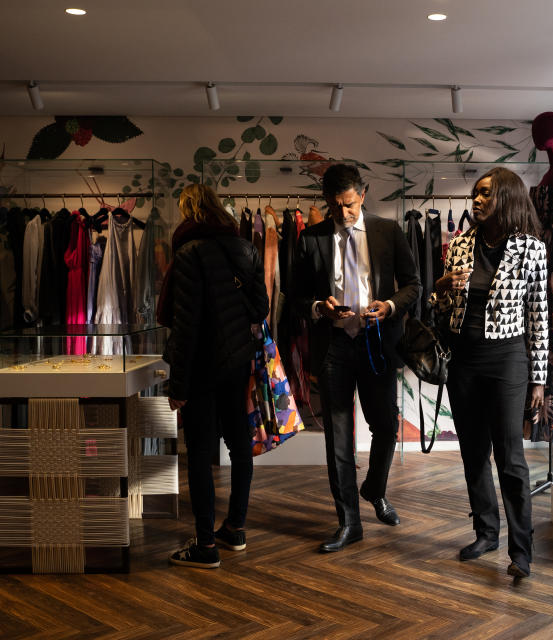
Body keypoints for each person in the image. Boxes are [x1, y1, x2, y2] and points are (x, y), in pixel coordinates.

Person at [292, 164, 420, 553]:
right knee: (338, 437)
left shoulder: (387, 231)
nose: (343, 214)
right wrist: (319, 307)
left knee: (385, 426)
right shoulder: (310, 238)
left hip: (377, 342)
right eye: (334, 207)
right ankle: (349, 522)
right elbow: (295, 296)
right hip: (334, 347)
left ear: (363, 194)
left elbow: (414, 285)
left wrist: (390, 306)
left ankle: (375, 489)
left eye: (348, 205)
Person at [430, 167, 548, 579]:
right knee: (473, 452)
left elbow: (538, 316)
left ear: (507, 198)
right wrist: (439, 292)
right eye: (475, 195)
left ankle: (522, 550)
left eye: (485, 194)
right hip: (465, 360)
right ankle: (486, 531)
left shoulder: (531, 248)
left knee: (510, 457)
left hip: (508, 360)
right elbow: (445, 316)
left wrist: (539, 377)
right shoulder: (459, 244)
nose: (476, 201)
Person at [158, 183, 268, 569]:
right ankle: (235, 528)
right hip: (238, 363)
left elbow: (185, 326)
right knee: (240, 446)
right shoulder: (247, 248)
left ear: (189, 211)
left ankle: (205, 546)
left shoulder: (188, 252)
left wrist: (178, 386)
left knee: (201, 454)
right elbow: (261, 307)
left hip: (203, 366)